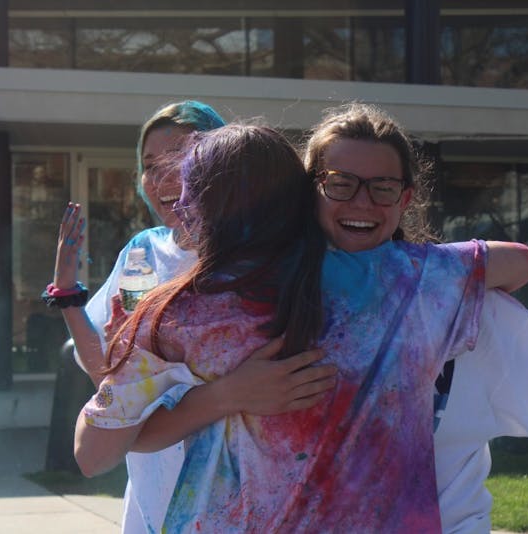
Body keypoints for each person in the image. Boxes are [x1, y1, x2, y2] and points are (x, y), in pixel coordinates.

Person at [74, 123, 528, 532]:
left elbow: (93, 455)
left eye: (186, 192)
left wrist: (213, 392)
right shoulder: (393, 280)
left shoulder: (174, 316)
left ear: (201, 207)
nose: (178, 204)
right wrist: (423, 263)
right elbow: (521, 262)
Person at [300, 102, 528, 534]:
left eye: (382, 187)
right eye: (340, 184)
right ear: (311, 190)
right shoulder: (265, 304)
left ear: (405, 198)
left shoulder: (467, 306)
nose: (362, 202)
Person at [50, 102, 336, 534]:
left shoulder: (331, 283)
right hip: (165, 499)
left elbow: (97, 447)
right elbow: (104, 436)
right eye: (150, 165)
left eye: (182, 161)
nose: (171, 182)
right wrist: (224, 394)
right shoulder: (152, 277)